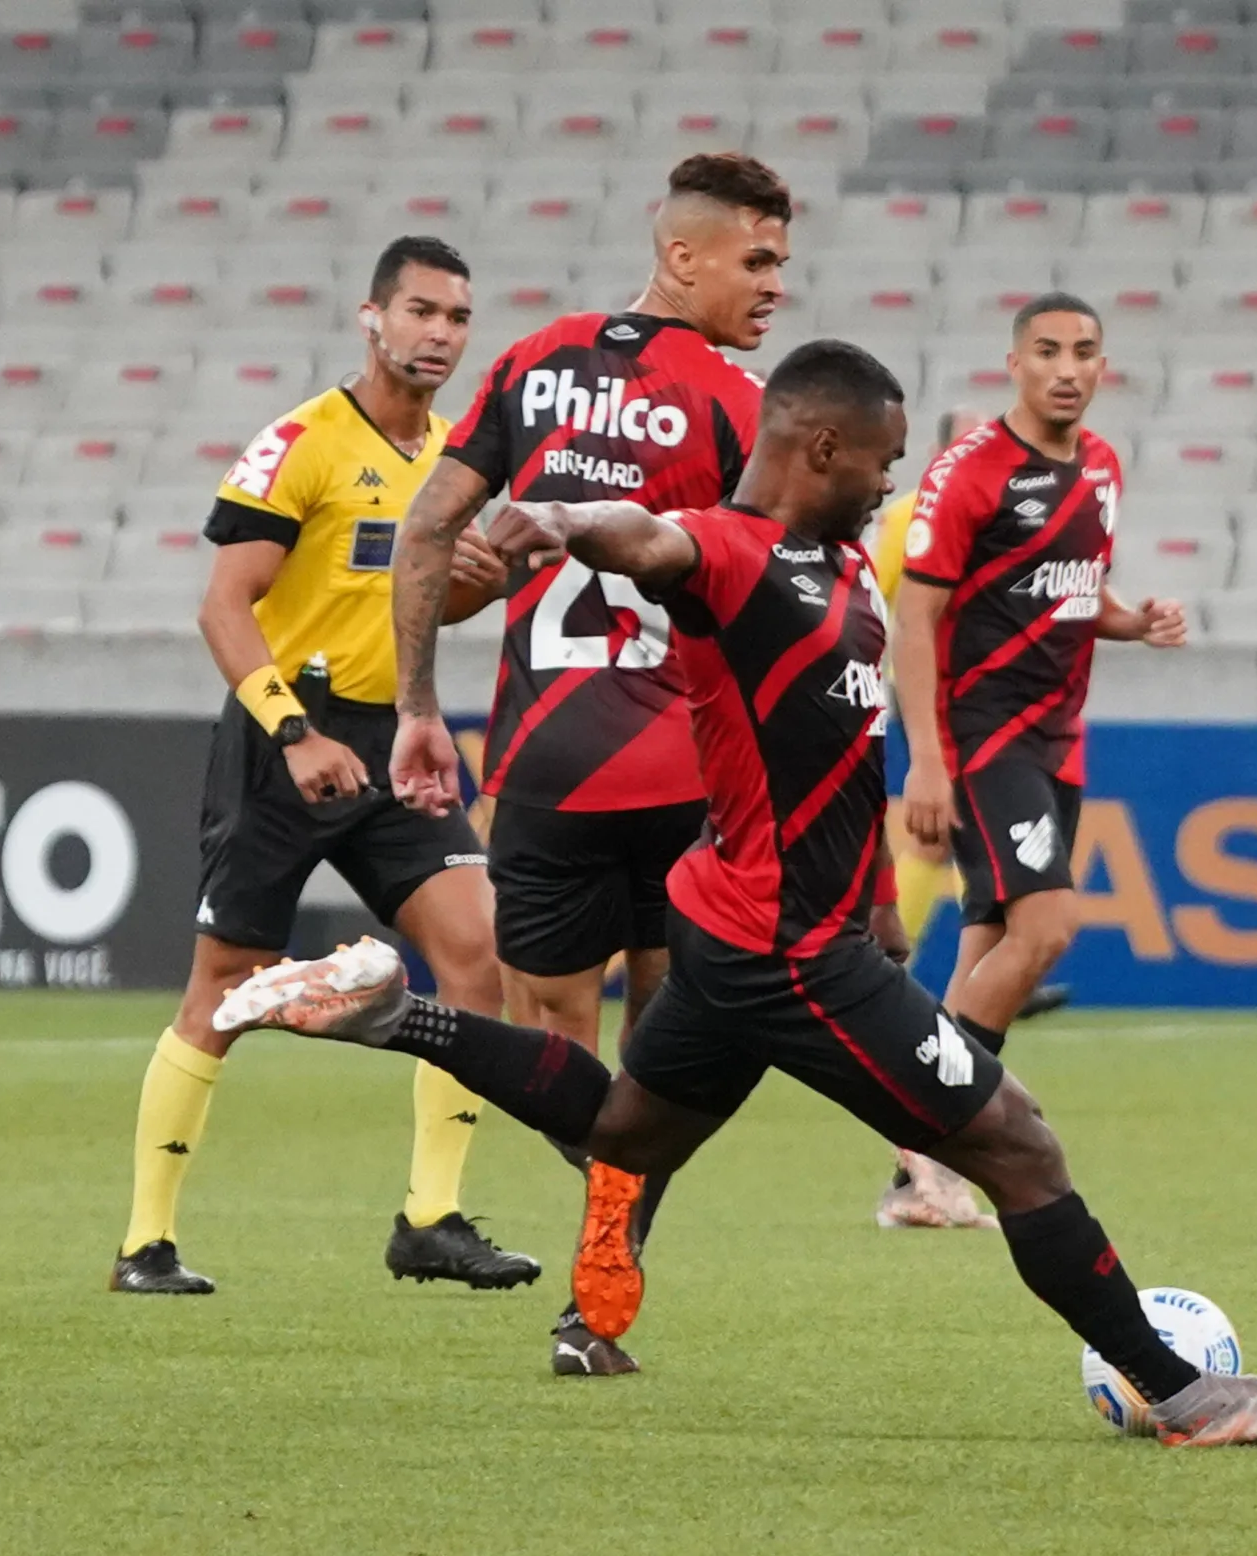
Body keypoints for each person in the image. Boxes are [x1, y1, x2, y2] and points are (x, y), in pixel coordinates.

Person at [211, 340, 1257, 1447]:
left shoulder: (843, 571)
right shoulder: (730, 553)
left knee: (620, 1131)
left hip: (750, 929)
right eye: (884, 459)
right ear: (823, 445)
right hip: (789, 949)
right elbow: (647, 536)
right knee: (1019, 1143)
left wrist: (884, 898)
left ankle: (396, 1015)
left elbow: (850, 759)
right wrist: (553, 518)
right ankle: (1180, 1392)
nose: (893, 481)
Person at [374, 153, 792, 1373]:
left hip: (542, 762)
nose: (774, 287)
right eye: (756, 261)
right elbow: (771, 588)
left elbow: (426, 528)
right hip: (685, 766)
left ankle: (594, 1273)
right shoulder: (736, 402)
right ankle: (601, 1279)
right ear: (683, 253)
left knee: (559, 1047)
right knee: (669, 1054)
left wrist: (413, 707)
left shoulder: (532, 362)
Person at [109, 236, 539, 1296]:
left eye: (457, 318)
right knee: (226, 986)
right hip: (285, 735)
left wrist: (484, 579)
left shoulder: (452, 459)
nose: (439, 333)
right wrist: (294, 732)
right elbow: (224, 604)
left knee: (478, 953)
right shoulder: (300, 441)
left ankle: (431, 1214)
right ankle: (144, 1242)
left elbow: (423, 607)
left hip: (392, 734)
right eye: (422, 312)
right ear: (372, 317)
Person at [879, 293, 1189, 1231]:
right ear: (1014, 363)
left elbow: (1069, 584)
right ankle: (932, 1127)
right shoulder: (968, 472)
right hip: (985, 734)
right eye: (1047, 350)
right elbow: (916, 619)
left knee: (988, 941)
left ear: (1103, 366)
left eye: (1084, 352)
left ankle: (917, 1181)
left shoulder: (1100, 466)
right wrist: (928, 760)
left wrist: (1128, 620)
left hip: (1059, 737)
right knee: (1046, 927)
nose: (1066, 367)